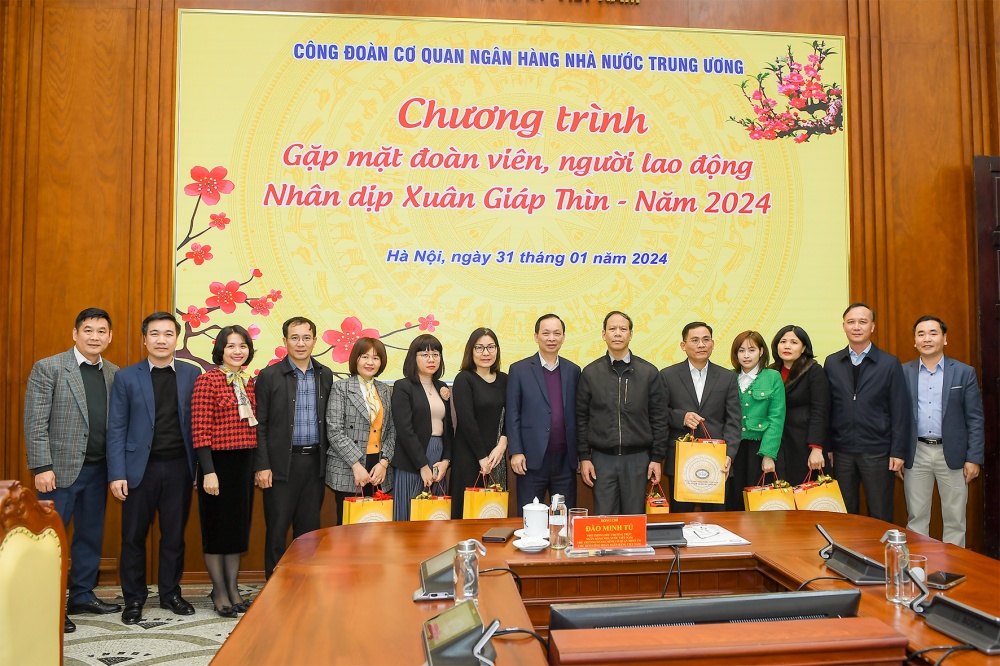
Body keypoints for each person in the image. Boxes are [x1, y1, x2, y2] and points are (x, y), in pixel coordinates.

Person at [24, 308, 121, 633]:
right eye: (88, 330)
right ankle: (47, 604)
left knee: (90, 536)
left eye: (101, 331)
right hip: (58, 472)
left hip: (98, 470)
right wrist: (42, 466)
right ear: (75, 333)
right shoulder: (49, 368)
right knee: (49, 540)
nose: (95, 336)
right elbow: (35, 422)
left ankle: (81, 595)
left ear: (110, 336)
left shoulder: (113, 373)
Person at [107, 312, 200, 625]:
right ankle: (133, 599)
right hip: (138, 470)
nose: (162, 340)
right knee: (133, 537)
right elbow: (116, 427)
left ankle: (170, 593)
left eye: (168, 334)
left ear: (177, 339)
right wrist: (117, 473)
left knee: (174, 535)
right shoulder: (126, 377)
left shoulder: (191, 373)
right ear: (144, 339)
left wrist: (200, 469)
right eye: (155, 334)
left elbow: (199, 424)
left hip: (179, 468)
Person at [253, 316, 334, 579]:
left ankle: (304, 584)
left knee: (309, 532)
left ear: (314, 341)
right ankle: (275, 586)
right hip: (280, 467)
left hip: (314, 464)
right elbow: (259, 424)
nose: (301, 343)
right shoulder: (269, 376)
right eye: (295, 338)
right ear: (285, 341)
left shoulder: (324, 374)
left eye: (306, 338)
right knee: (277, 531)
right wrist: (262, 465)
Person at [824, 303, 913, 521]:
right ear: (843, 326)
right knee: (845, 514)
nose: (857, 327)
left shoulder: (889, 363)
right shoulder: (832, 362)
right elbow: (827, 408)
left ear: (872, 327)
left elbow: (900, 410)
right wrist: (828, 447)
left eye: (863, 322)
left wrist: (898, 451)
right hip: (842, 451)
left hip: (878, 452)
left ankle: (881, 546)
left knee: (880, 512)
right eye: (851, 322)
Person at [191, 325, 257, 618]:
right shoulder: (208, 381)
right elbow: (200, 429)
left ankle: (233, 589)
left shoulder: (248, 382)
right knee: (217, 531)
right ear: (220, 350)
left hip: (243, 464)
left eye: (242, 346)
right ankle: (219, 591)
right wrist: (208, 471)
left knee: (236, 530)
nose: (237, 351)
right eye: (231, 346)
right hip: (217, 465)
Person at [576, 311, 669, 515]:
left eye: (623, 329)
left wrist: (656, 457)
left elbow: (659, 418)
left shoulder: (648, 372)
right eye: (612, 329)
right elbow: (581, 418)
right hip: (602, 460)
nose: (617, 333)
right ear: (604, 334)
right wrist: (584, 457)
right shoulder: (590, 373)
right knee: (604, 519)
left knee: (634, 519)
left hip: (637, 459)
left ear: (631, 334)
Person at [903, 316, 984, 547]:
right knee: (916, 518)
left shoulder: (963, 372)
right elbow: (895, 417)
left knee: (955, 520)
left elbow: (975, 418)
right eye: (921, 334)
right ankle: (917, 566)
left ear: (944, 339)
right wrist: (897, 453)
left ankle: (953, 566)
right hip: (916, 453)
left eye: (933, 333)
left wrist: (974, 458)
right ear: (914, 341)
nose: (927, 339)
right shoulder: (903, 372)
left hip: (953, 455)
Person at [660, 322, 741, 513]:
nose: (701, 345)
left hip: (717, 461)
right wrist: (681, 417)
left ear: (713, 344)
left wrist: (729, 454)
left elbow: (734, 420)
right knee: (681, 519)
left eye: (706, 340)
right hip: (681, 461)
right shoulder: (667, 375)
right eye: (695, 340)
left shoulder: (727, 377)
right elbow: (659, 413)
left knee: (717, 521)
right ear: (683, 345)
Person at [506, 314, 581, 513]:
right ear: (536, 336)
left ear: (563, 337)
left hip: (565, 461)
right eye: (546, 333)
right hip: (531, 461)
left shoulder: (574, 371)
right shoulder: (519, 370)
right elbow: (512, 414)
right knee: (531, 518)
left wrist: (582, 454)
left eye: (557, 333)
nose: (551, 338)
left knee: (564, 518)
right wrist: (516, 451)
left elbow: (579, 415)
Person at [326, 337, 395, 524]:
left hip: (377, 466)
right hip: (349, 465)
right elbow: (334, 430)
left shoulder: (385, 390)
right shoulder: (341, 388)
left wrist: (384, 463)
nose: (370, 362)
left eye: (376, 358)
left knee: (376, 523)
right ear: (355, 359)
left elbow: (392, 430)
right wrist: (356, 465)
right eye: (365, 356)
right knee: (349, 525)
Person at [390, 334, 453, 521]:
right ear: (413, 358)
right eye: (425, 355)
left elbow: (448, 428)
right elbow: (405, 430)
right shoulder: (403, 386)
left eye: (435, 354)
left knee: (435, 515)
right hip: (412, 458)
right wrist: (422, 465)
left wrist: (446, 460)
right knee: (409, 515)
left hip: (437, 456)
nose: (431, 359)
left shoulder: (442, 387)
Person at [450, 328, 508, 518]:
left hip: (496, 457)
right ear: (471, 350)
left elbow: (512, 415)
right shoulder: (464, 379)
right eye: (479, 348)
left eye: (491, 347)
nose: (486, 353)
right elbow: (467, 421)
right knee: (466, 514)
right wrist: (482, 457)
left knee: (494, 512)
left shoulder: (505, 379)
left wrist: (502, 445)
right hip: (468, 456)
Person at [724, 331, 786, 509]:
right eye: (741, 350)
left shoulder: (772, 377)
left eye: (751, 350)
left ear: (761, 351)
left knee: (759, 504)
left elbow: (776, 418)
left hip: (760, 449)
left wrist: (768, 455)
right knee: (733, 501)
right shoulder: (728, 377)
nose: (746, 355)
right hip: (732, 449)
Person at [770, 325, 829, 485]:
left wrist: (816, 448)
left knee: (804, 493)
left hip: (804, 443)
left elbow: (820, 410)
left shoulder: (813, 371)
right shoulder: (770, 372)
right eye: (783, 341)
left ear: (803, 348)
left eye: (794, 342)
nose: (787, 346)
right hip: (777, 444)